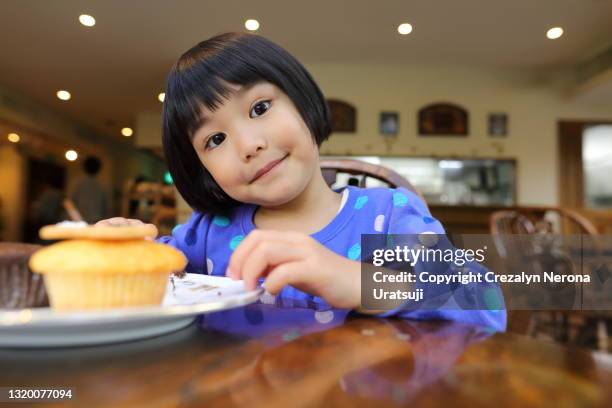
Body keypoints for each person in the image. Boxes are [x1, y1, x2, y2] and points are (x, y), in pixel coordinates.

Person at [98, 32, 505, 331]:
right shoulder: (208, 235)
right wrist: (126, 250)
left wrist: (359, 281)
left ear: (305, 104)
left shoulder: (389, 216)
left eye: (259, 107)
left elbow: (486, 304)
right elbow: (149, 280)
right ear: (202, 168)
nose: (250, 145)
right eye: (215, 139)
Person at [71, 156, 108, 224]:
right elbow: (106, 208)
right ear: (98, 168)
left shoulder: (77, 183)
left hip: (80, 221)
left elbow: (71, 204)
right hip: (97, 222)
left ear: (84, 167)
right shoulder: (103, 185)